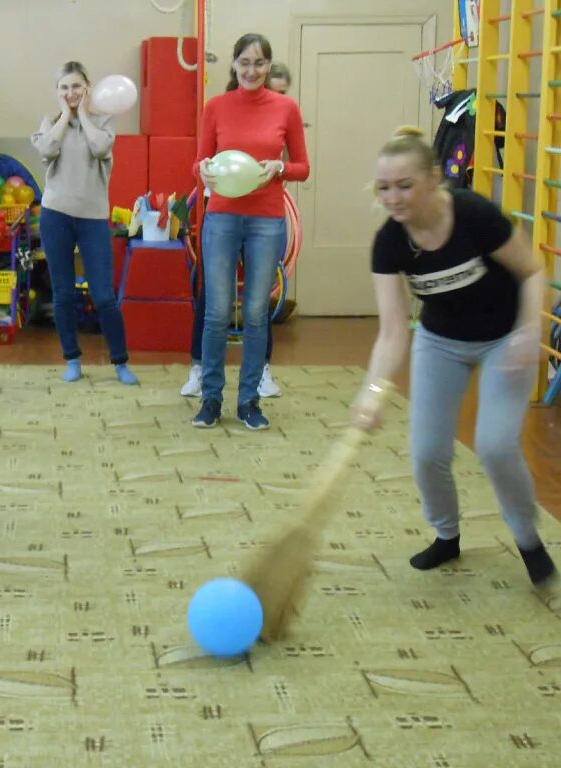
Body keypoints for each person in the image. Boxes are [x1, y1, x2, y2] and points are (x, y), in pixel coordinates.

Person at [352, 126, 556, 586]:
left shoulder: (474, 215)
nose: (394, 198)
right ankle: (447, 536)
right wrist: (372, 392)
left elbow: (531, 270)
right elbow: (391, 331)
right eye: (384, 188)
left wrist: (529, 330)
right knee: (426, 452)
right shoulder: (389, 242)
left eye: (405, 185)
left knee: (496, 445)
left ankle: (528, 539)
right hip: (441, 342)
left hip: (505, 338)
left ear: (435, 178)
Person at [193, 36, 309, 428]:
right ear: (234, 64)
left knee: (257, 314)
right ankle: (210, 400)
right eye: (244, 62)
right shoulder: (216, 107)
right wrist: (204, 171)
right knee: (217, 313)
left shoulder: (286, 108)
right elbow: (200, 163)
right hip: (223, 218)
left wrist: (281, 168)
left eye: (259, 63)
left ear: (269, 66)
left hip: (267, 220)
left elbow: (303, 167)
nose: (251, 70)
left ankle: (249, 402)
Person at [31, 61, 138, 385]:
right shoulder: (50, 123)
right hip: (55, 215)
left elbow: (99, 146)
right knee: (63, 294)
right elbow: (47, 149)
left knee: (103, 295)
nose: (71, 92)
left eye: (77, 86)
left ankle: (120, 362)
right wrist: (65, 116)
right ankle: (72, 359)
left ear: (88, 88)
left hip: (93, 217)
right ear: (57, 93)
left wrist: (83, 116)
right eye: (64, 88)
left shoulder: (103, 123)